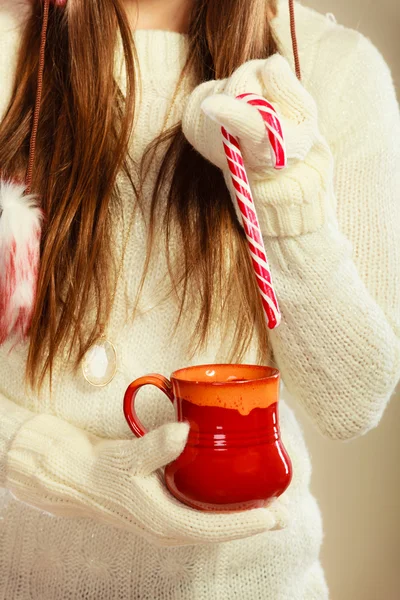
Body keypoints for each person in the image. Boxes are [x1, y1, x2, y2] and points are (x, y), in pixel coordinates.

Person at [0, 0, 399, 598]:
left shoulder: (331, 71)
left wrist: (284, 190)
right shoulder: (10, 53)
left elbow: (350, 400)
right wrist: (73, 472)